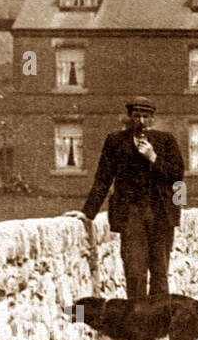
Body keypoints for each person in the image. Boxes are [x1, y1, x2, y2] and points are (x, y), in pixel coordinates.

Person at [68, 97, 184, 300]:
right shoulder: (115, 141)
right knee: (134, 271)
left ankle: (158, 322)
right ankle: (138, 322)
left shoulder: (166, 141)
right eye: (137, 116)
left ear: (153, 119)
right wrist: (88, 212)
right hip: (131, 214)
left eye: (146, 117)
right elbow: (103, 178)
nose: (141, 121)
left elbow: (177, 176)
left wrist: (153, 157)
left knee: (159, 272)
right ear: (130, 118)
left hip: (161, 215)